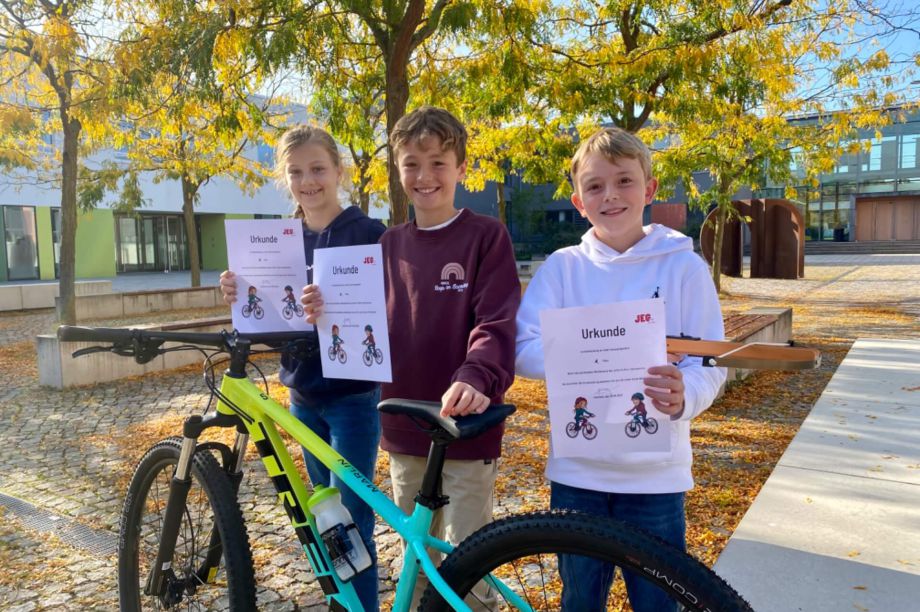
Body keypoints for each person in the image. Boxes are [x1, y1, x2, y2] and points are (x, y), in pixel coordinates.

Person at [304, 106, 520, 610]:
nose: (425, 176)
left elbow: (496, 321)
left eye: (438, 162)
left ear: (461, 168)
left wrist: (476, 375)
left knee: (468, 567)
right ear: (397, 171)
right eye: (412, 164)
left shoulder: (486, 236)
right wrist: (324, 309)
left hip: (468, 425)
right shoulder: (387, 244)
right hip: (405, 426)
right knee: (417, 562)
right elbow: (364, 324)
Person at [515, 127, 727, 612]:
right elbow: (521, 349)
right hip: (577, 475)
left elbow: (708, 363)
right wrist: (587, 353)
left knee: (658, 604)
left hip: (655, 479)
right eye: (595, 186)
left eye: (624, 181)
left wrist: (685, 395)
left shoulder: (684, 268)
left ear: (649, 189)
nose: (610, 195)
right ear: (578, 201)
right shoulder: (561, 269)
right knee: (580, 601)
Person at [219, 125, 386, 611]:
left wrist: (338, 306)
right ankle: (345, 605)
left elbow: (390, 312)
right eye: (295, 172)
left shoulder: (370, 234)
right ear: (284, 178)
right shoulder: (280, 241)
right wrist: (239, 295)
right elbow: (271, 322)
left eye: (317, 169)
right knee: (327, 519)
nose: (308, 181)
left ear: (339, 171)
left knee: (353, 523)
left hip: (353, 398)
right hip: (302, 398)